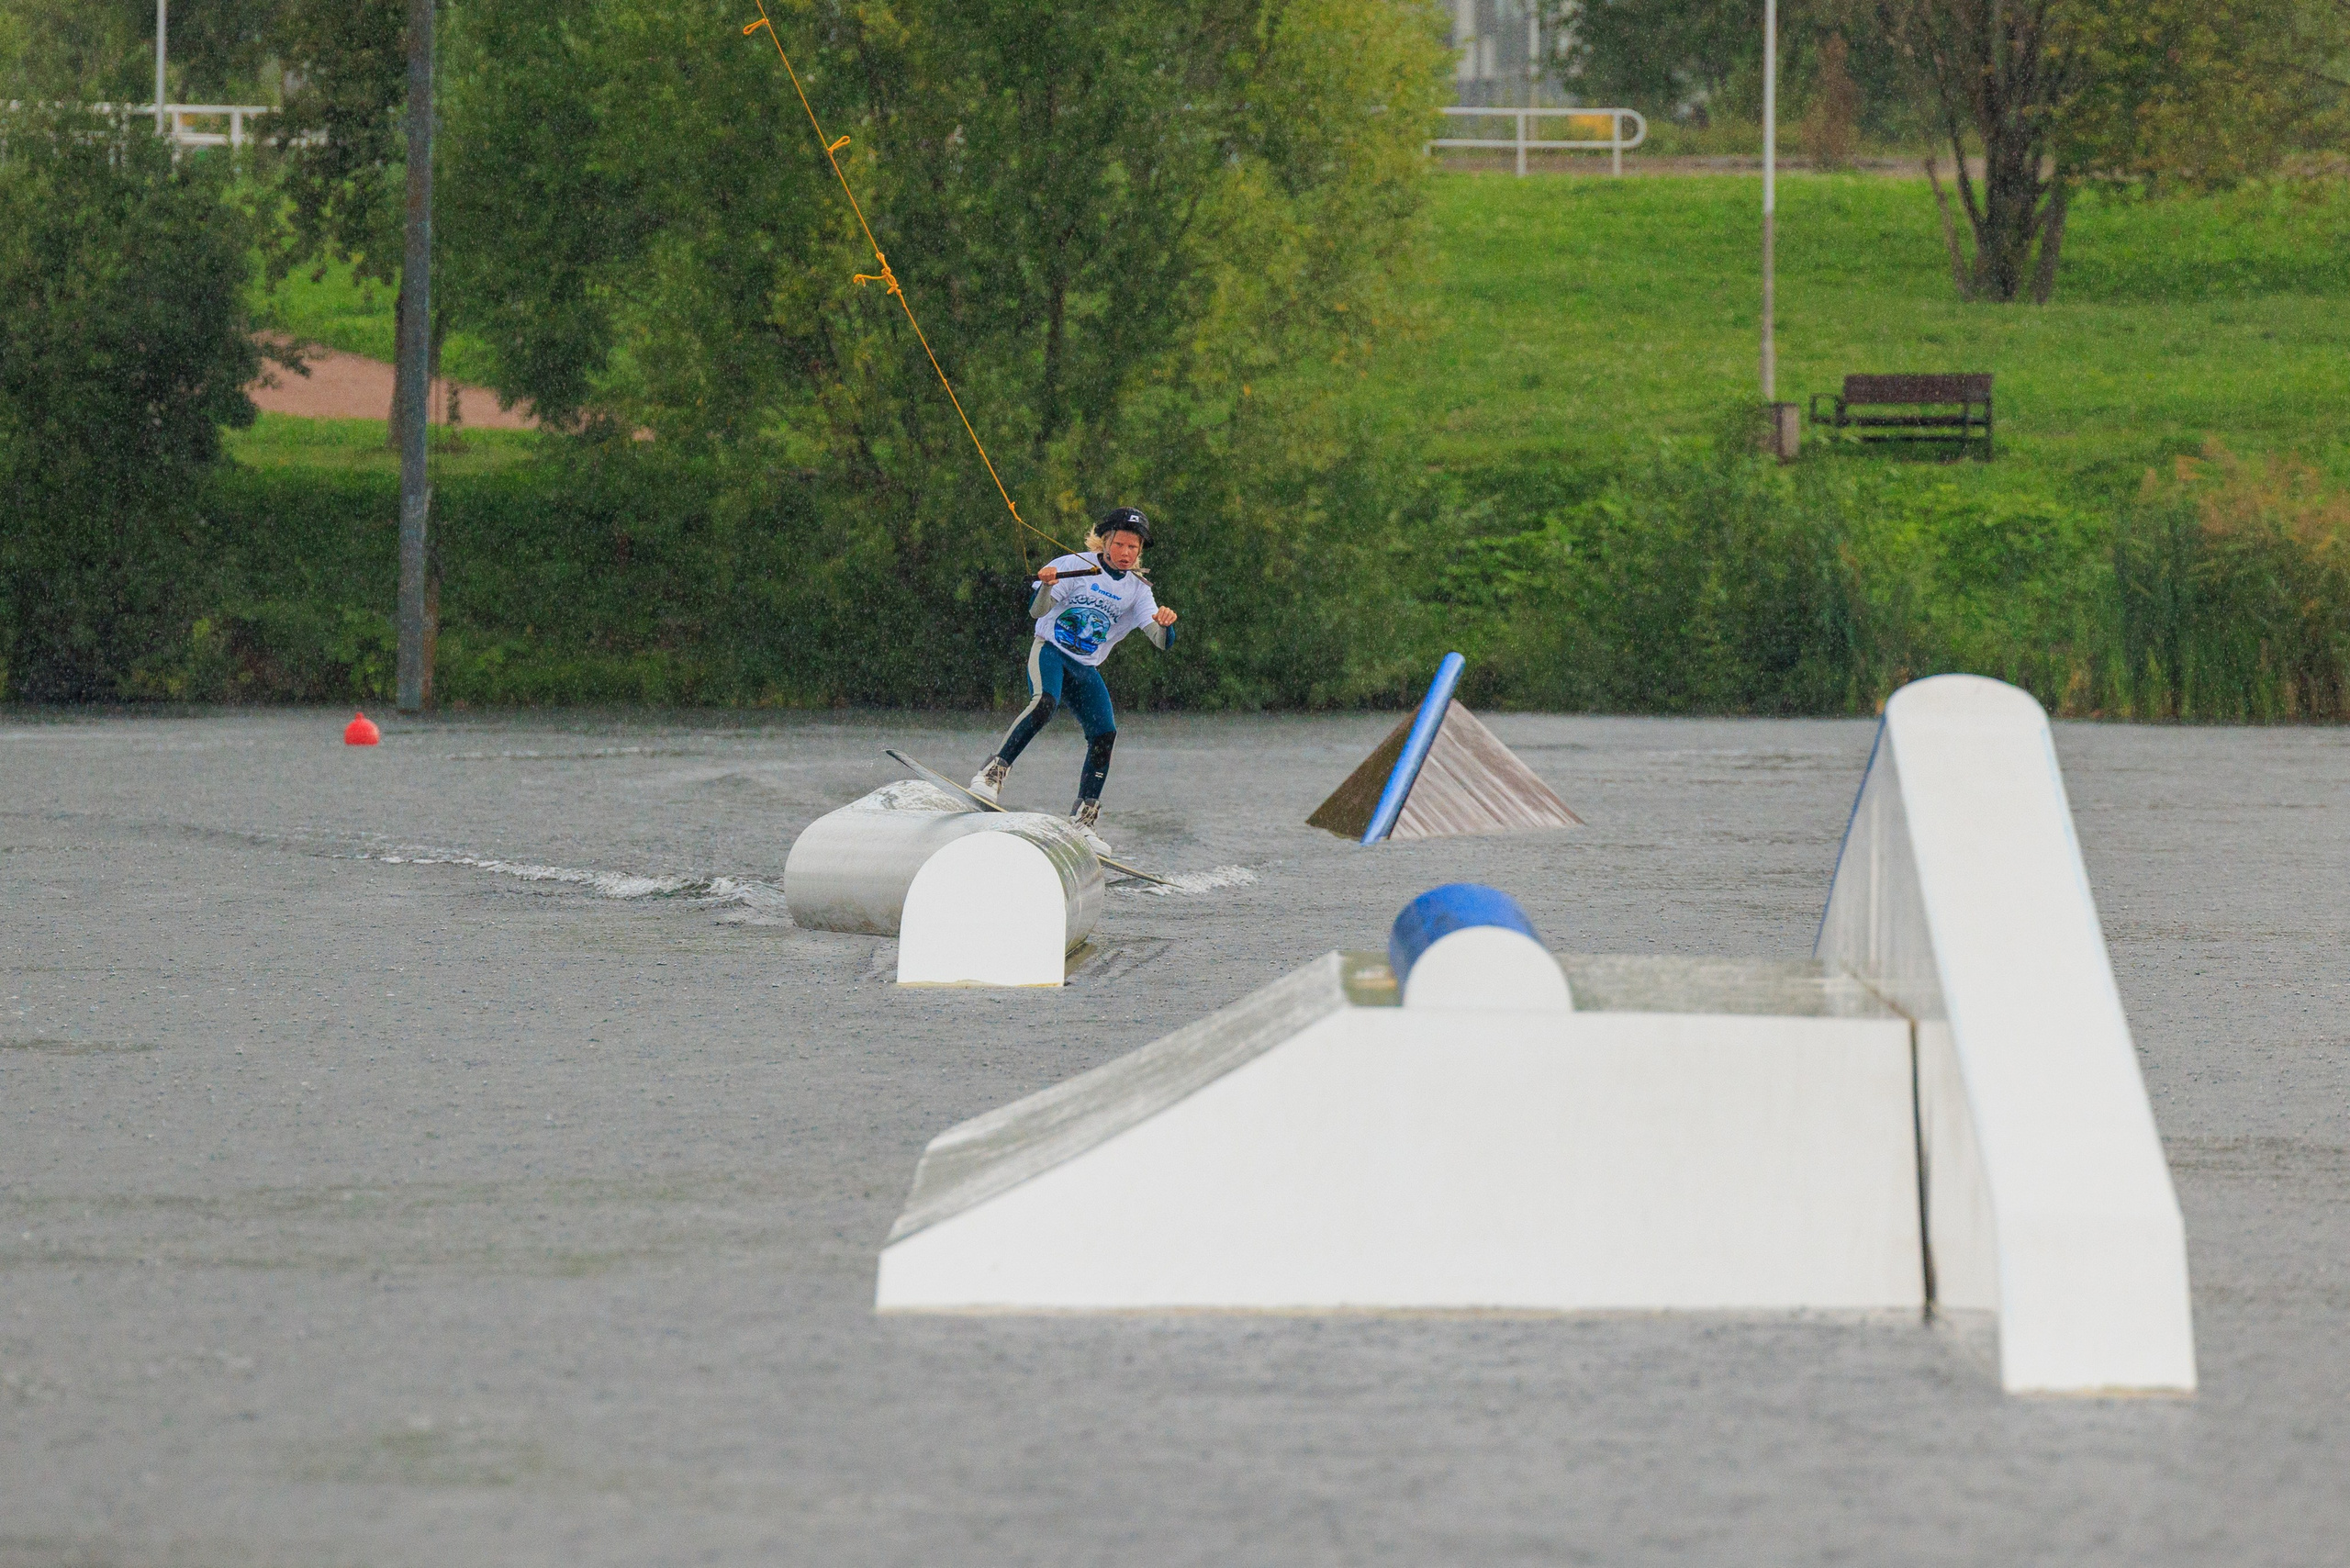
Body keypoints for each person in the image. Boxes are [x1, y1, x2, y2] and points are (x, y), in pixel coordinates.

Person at [970, 507, 1178, 857]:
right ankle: (992, 774)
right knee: (1044, 703)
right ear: (1106, 540)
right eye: (1122, 545)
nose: (1127, 553)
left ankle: (1082, 820)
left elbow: (1159, 641)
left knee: (1105, 734)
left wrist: (1167, 624)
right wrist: (1047, 586)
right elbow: (1037, 611)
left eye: (1135, 548)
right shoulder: (1075, 566)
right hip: (1050, 651)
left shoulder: (1138, 590)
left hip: (1085, 668)